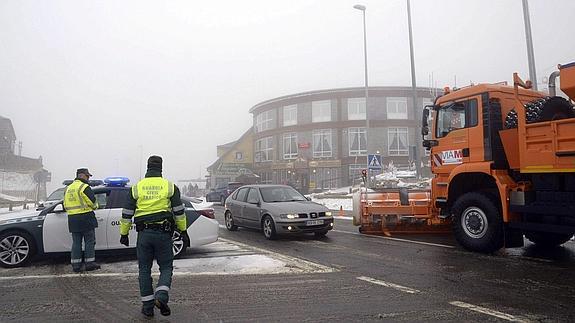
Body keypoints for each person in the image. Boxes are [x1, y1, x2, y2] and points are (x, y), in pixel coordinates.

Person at [119, 155, 189, 317]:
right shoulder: (169, 187)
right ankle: (161, 296)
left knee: (144, 270)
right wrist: (183, 231)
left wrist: (124, 233)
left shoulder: (137, 187)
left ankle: (148, 308)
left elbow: (127, 213)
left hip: (144, 235)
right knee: (165, 267)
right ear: (161, 168)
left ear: (148, 167)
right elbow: (179, 212)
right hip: (164, 234)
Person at [63, 168, 101, 272]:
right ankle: (90, 263)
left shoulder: (68, 188)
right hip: (85, 217)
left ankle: (76, 265)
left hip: (72, 219)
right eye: (87, 176)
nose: (88, 178)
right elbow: (93, 202)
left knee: (76, 242)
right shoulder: (84, 187)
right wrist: (96, 206)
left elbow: (65, 205)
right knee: (89, 241)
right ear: (82, 175)